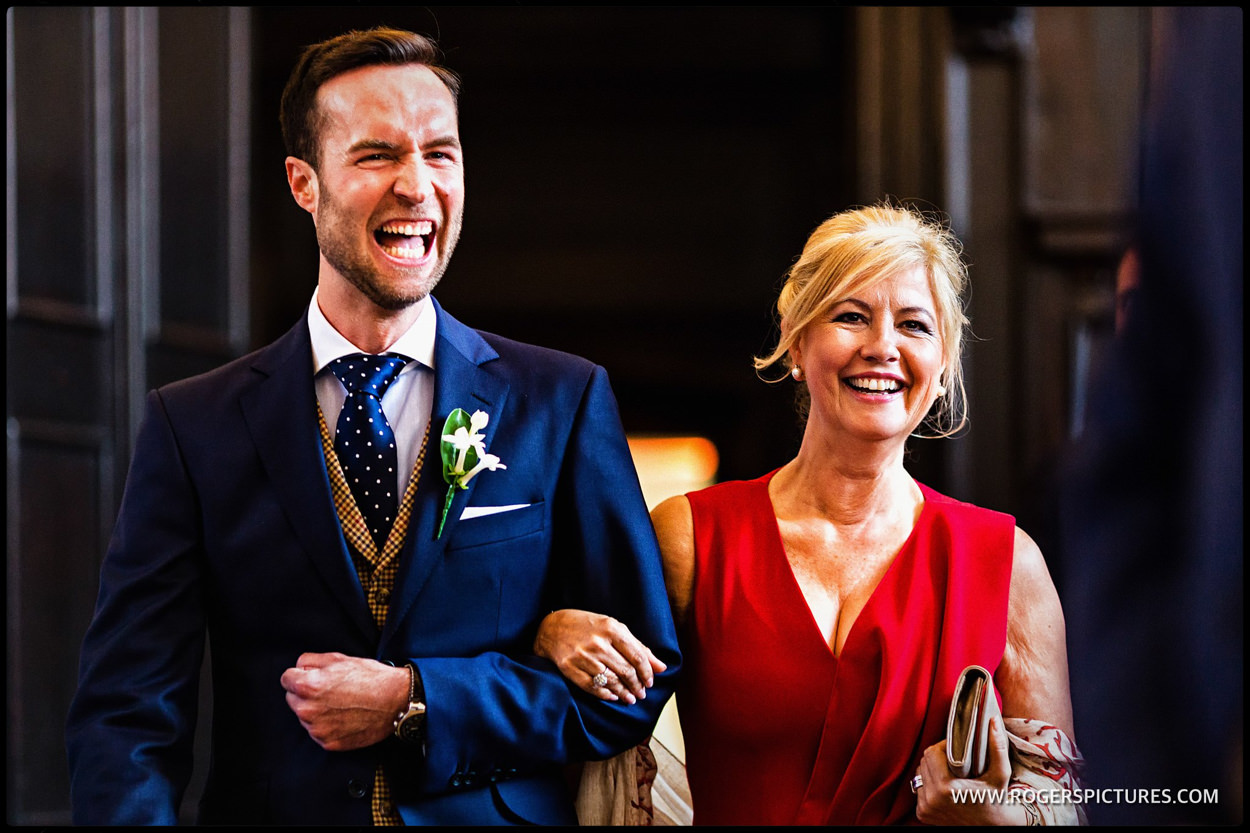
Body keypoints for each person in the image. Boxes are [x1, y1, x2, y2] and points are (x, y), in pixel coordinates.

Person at [65, 27, 679, 826]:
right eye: (376, 155)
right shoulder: (194, 426)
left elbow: (637, 685)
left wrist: (419, 699)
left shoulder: (560, 400)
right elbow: (126, 714)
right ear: (303, 182)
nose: (417, 186)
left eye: (440, 153)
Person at [535, 203, 1085, 825]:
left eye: (914, 325)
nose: (882, 347)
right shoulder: (690, 536)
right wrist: (548, 631)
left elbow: (1060, 810)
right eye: (851, 316)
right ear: (797, 343)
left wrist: (985, 817)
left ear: (941, 369)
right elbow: (587, 721)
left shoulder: (1007, 564)